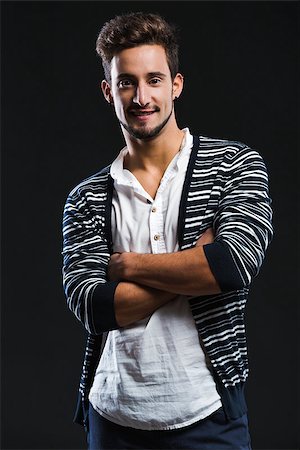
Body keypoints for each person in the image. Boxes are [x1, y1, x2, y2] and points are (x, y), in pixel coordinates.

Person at [62, 11, 273, 450]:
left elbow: (234, 266)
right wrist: (196, 265)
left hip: (209, 412)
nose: (142, 96)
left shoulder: (234, 166)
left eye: (154, 79)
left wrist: (128, 265)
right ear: (108, 91)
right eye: (126, 82)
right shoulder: (86, 197)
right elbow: (94, 306)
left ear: (176, 85)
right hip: (113, 415)